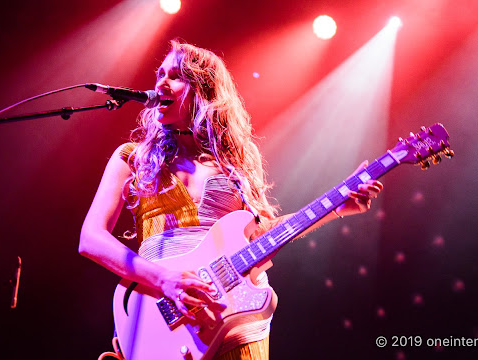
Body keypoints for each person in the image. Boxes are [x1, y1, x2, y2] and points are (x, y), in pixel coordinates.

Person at [79, 39, 383, 360]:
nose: (161, 84)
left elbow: (260, 236)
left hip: (231, 315)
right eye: (160, 75)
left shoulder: (235, 164)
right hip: (159, 310)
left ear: (204, 90)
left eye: (176, 76)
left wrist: (336, 208)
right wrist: (163, 279)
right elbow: (90, 239)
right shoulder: (133, 158)